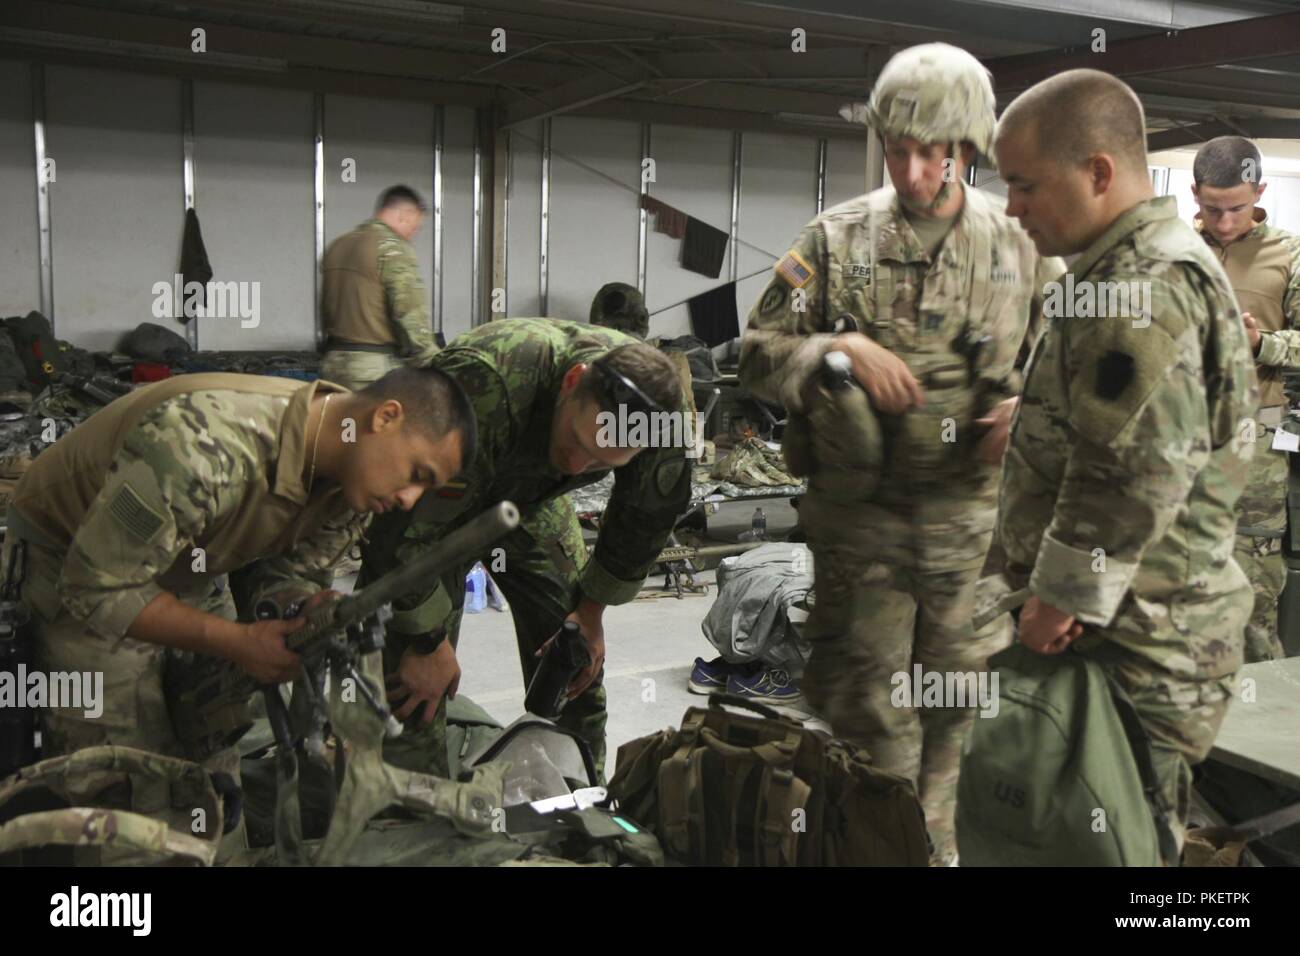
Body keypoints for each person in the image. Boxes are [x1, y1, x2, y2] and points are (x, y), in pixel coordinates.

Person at [738, 42, 1062, 865]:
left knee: (957, 715)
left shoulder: (1022, 245)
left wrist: (1030, 408)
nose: (914, 171)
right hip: (864, 533)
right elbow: (754, 353)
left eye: (934, 153)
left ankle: (938, 852)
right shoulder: (838, 238)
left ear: (966, 148)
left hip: (972, 536)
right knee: (870, 719)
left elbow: (1073, 366)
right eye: (898, 150)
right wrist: (834, 348)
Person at [2, 368, 474, 829]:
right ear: (385, 417)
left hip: (193, 559)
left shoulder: (350, 477)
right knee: (124, 780)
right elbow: (96, 584)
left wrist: (298, 609)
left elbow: (289, 571)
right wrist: (238, 641)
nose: (410, 499)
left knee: (208, 757)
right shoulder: (203, 443)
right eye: (417, 473)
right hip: (71, 560)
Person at [993, 69, 1257, 852]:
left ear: (1099, 172)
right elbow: (1121, 420)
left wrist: (1058, 594)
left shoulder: (1144, 281)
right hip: (1122, 629)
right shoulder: (1117, 270)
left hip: (1136, 643)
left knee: (1119, 851)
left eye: (1024, 185)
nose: (1012, 207)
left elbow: (1134, 467)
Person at [358, 318, 690, 779]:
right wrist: (426, 640)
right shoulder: (484, 379)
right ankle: (416, 816)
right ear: (572, 384)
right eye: (577, 442)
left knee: (576, 665)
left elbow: (645, 517)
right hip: (440, 505)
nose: (578, 465)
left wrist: (591, 612)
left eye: (600, 463)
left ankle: (581, 804)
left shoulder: (657, 421)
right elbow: (399, 523)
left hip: (532, 501)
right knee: (414, 690)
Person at [1191, 136, 1300, 662]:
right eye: (1213, 209)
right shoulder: (1166, 252)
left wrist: (1263, 344)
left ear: (1258, 190)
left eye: (1237, 208)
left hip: (1254, 449)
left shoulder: (1290, 253)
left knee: (1253, 596)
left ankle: (1257, 732)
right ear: (1193, 194)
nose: (1225, 222)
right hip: (1173, 443)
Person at [319, 185, 439, 390]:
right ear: (405, 214)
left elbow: (326, 308)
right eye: (416, 225)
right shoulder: (392, 247)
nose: (413, 232)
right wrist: (433, 361)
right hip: (372, 371)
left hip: (332, 365)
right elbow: (408, 311)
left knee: (340, 422)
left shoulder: (338, 245)